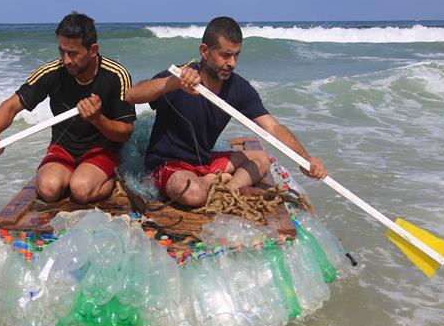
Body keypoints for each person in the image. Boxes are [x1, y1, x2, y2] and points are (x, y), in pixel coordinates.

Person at [124, 16, 326, 208]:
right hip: (169, 165)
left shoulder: (238, 88)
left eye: (236, 54)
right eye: (225, 55)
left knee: (261, 159)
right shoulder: (180, 76)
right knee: (192, 193)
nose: (232, 63)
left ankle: (227, 187)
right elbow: (132, 95)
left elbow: (272, 126)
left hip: (205, 162)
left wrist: (305, 159)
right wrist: (172, 83)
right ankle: (214, 183)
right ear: (204, 51)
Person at [0, 12, 136, 204]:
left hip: (101, 149)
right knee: (48, 189)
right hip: (64, 148)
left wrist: (97, 119)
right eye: (62, 51)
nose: (66, 60)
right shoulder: (52, 72)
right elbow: (10, 106)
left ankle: (111, 177)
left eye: (73, 53)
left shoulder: (116, 75)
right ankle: (72, 175)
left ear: (93, 50)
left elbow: (126, 132)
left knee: (81, 190)